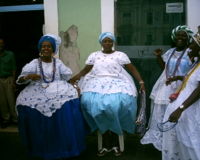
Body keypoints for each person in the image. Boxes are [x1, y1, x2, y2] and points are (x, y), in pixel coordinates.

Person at [70, 32, 145, 156]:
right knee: (89, 102)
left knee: (115, 105)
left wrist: (141, 81)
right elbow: (86, 70)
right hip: (96, 82)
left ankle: (115, 140)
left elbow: (132, 69)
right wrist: (74, 78)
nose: (107, 43)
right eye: (105, 41)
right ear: (101, 42)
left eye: (110, 41)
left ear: (113, 42)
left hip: (118, 82)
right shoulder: (94, 55)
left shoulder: (120, 55)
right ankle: (105, 139)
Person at [16, 34, 87, 160]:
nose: (46, 49)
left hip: (58, 88)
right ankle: (42, 148)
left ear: (53, 49)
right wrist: (29, 77)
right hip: (37, 90)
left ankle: (65, 147)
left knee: (67, 105)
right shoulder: (34, 63)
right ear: (40, 48)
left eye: (49, 46)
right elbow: (20, 80)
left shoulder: (58, 62)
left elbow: (67, 76)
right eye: (43, 46)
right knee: (26, 104)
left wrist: (74, 85)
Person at [140, 25, 194, 150]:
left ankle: (174, 140)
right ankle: (162, 140)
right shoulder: (171, 52)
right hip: (166, 84)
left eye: (183, 35)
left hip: (181, 86)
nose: (180, 37)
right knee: (161, 112)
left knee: (177, 112)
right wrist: (158, 56)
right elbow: (163, 67)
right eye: (178, 35)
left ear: (188, 38)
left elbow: (192, 72)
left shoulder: (191, 52)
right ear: (174, 37)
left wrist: (178, 78)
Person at [161, 33, 200, 160]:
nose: (189, 47)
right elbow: (190, 80)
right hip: (182, 112)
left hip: (190, 112)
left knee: (192, 144)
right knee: (181, 145)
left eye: (193, 44)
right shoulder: (196, 64)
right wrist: (177, 77)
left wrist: (180, 109)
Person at [0, 37, 17, 128]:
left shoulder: (10, 54)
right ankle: (6, 119)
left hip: (9, 79)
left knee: (11, 99)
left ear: (4, 44)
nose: (0, 45)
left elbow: (14, 68)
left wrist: (13, 81)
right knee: (2, 101)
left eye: (1, 43)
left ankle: (15, 119)